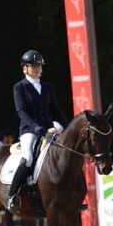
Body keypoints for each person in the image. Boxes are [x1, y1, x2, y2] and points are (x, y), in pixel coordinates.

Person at [8, 50, 69, 212]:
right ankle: (12, 196)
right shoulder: (19, 87)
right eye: (33, 66)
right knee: (27, 158)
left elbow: (56, 110)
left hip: (49, 128)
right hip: (29, 130)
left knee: (66, 152)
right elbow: (21, 112)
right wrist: (35, 127)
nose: (37, 68)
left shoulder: (47, 87)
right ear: (24, 68)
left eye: (39, 65)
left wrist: (68, 126)